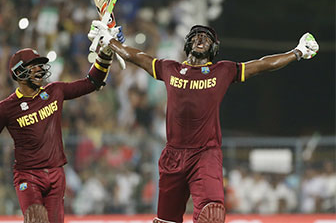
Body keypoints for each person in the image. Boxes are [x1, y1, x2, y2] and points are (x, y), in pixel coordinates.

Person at [90, 21, 319, 223]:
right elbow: (137, 57)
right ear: (188, 44)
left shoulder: (223, 71)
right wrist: (111, 41)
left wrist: (297, 52)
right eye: (196, 36)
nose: (201, 39)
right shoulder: (170, 68)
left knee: (212, 215)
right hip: (172, 155)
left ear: (213, 48)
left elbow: (262, 64)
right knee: (165, 222)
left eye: (207, 38)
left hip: (205, 154)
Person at [0, 41, 120, 223]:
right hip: (28, 176)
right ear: (18, 72)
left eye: (40, 66)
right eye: (33, 67)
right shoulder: (5, 108)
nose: (39, 70)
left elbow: (91, 82)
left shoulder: (55, 91)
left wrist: (105, 54)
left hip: (56, 173)